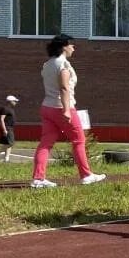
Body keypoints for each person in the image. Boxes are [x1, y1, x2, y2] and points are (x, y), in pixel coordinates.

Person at [31, 33, 106, 188]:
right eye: (71, 45)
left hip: (47, 107)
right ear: (64, 46)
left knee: (45, 144)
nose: (74, 47)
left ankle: (38, 179)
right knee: (79, 141)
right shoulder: (63, 64)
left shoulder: (47, 64)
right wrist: (66, 110)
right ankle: (86, 175)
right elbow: (64, 88)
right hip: (62, 107)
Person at [0, 95, 19, 162]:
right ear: (10, 101)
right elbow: (2, 119)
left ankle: (6, 159)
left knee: (7, 144)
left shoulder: (11, 109)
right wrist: (4, 130)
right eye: (15, 101)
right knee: (11, 143)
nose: (16, 102)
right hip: (7, 128)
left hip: (10, 128)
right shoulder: (5, 108)